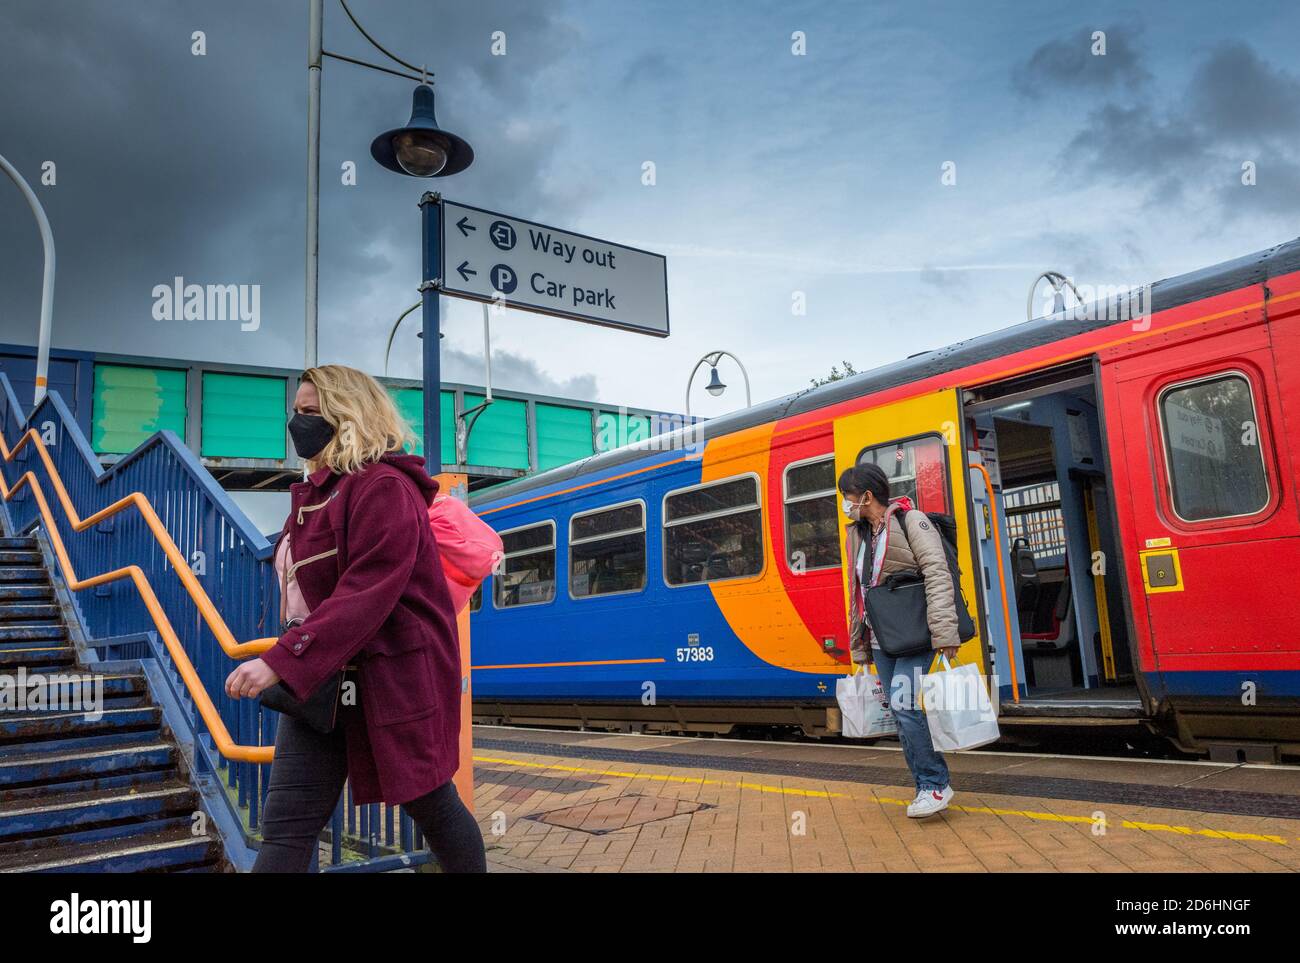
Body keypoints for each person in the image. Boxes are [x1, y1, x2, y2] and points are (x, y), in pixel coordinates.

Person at [225, 364, 487, 872]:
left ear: (346, 414)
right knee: (286, 828)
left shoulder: (385, 487)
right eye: (295, 412)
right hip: (321, 684)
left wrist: (281, 660)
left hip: (390, 680)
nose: (297, 423)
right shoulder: (316, 494)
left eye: (310, 412)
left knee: (432, 806)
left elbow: (367, 590)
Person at [840, 463, 960, 818]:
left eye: (848, 495)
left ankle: (935, 785)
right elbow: (857, 594)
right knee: (898, 709)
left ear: (866, 495)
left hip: (916, 633)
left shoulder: (912, 521)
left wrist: (944, 632)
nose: (846, 502)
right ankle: (925, 785)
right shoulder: (857, 535)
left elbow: (938, 574)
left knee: (905, 705)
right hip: (881, 638)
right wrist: (858, 643)